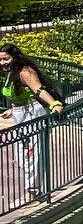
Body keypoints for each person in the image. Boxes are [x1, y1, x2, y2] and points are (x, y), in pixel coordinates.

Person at [0, 41, 65, 193]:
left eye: (6, 59)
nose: (2, 63)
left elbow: (38, 90)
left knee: (32, 154)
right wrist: (13, 109)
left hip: (33, 114)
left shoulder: (25, 72)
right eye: (0, 59)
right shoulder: (7, 74)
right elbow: (19, 94)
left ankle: (33, 190)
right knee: (21, 154)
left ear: (14, 58)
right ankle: (32, 187)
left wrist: (54, 104)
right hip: (19, 114)